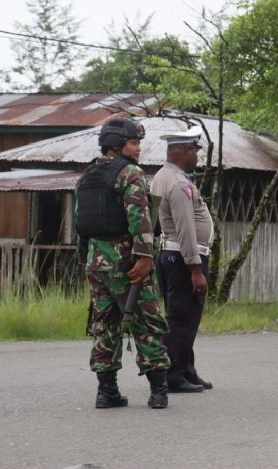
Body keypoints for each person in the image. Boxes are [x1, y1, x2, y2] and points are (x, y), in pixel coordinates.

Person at [75, 117, 171, 410]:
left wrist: (86, 259)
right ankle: (158, 392)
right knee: (147, 322)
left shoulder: (87, 175)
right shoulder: (130, 173)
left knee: (104, 324)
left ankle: (107, 393)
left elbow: (81, 223)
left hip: (96, 260)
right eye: (134, 143)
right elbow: (139, 218)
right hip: (127, 261)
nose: (139, 148)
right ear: (117, 145)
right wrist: (144, 257)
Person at [150, 125, 214, 393]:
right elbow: (185, 226)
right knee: (181, 319)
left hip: (172, 255)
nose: (197, 157)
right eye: (195, 152)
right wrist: (195, 269)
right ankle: (174, 375)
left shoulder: (161, 176)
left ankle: (187, 369)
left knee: (185, 317)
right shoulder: (178, 183)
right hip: (183, 257)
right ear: (186, 151)